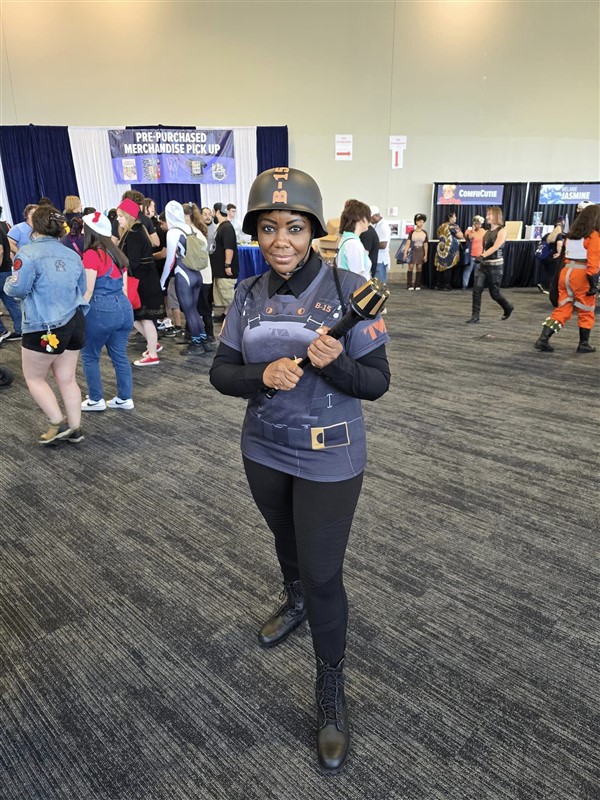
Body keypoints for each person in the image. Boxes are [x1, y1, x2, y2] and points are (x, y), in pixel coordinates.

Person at [209, 167, 391, 773]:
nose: (280, 240)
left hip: (330, 454)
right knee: (285, 541)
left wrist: (336, 363)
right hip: (263, 446)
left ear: (313, 229)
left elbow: (377, 383)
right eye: (268, 228)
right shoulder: (248, 294)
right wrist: (261, 374)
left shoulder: (351, 289)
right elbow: (221, 373)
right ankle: (293, 601)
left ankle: (330, 686)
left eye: (293, 227)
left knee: (323, 574)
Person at [3, 205, 88, 444]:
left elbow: (17, 288)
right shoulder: (72, 255)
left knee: (34, 378)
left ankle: (56, 421)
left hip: (44, 325)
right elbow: (81, 289)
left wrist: (8, 283)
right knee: (67, 378)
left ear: (34, 225)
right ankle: (75, 427)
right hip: (74, 321)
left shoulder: (27, 254)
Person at [80, 211, 135, 411]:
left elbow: (89, 290)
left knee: (89, 355)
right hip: (124, 308)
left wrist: (78, 313)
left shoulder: (91, 254)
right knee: (119, 355)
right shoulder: (117, 253)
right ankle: (125, 397)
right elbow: (125, 289)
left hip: (101, 308)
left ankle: (96, 399)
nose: (82, 232)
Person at [534, 203, 599, 353]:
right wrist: (593, 284)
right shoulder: (593, 236)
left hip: (566, 272)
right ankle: (583, 343)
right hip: (582, 275)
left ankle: (543, 338)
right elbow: (593, 262)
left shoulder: (571, 236)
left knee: (563, 308)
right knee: (586, 310)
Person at [160, 201, 212, 357]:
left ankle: (196, 343)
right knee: (194, 310)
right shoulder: (190, 228)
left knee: (189, 312)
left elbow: (170, 261)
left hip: (184, 274)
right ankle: (204, 340)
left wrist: (162, 281)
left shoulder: (173, 232)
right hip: (197, 274)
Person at [117, 198, 164, 366]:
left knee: (144, 317)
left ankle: (153, 353)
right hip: (144, 280)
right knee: (138, 316)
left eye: (120, 216)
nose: (118, 219)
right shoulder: (136, 231)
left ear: (128, 216)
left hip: (142, 282)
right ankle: (152, 344)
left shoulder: (134, 234)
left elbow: (132, 262)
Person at [466, 206, 513, 323]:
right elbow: (484, 247)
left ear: (496, 215)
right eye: (487, 214)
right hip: (484, 265)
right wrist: (480, 256)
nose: (486, 217)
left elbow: (496, 247)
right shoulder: (486, 232)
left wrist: (482, 255)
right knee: (476, 290)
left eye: (489, 214)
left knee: (494, 294)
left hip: (495, 267)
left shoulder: (502, 231)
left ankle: (508, 307)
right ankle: (475, 316)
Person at [183, 202, 215, 342]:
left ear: (187, 216)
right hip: (199, 275)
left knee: (202, 307)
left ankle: (208, 334)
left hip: (200, 276)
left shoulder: (193, 233)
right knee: (195, 306)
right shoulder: (194, 231)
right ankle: (192, 332)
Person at [210, 202, 238, 322]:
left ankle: (231, 317)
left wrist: (227, 265)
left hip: (225, 269)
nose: (212, 214)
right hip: (220, 269)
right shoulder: (222, 226)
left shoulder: (226, 228)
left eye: (212, 212)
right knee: (223, 294)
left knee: (227, 294)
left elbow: (229, 247)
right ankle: (226, 313)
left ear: (217, 212)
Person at [337, 199, 372, 280]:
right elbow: (357, 278)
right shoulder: (353, 244)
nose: (369, 222)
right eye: (368, 217)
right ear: (361, 218)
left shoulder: (347, 239)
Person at [0, 222, 23, 343]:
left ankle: (2, 331)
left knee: (11, 302)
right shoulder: (3, 226)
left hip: (1, 271)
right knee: (11, 302)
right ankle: (21, 330)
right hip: (5, 270)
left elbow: (0, 251)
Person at [536, 217, 565, 294]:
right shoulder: (559, 235)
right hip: (553, 257)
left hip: (545, 256)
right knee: (552, 273)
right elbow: (559, 244)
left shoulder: (547, 235)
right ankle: (547, 288)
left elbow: (540, 243)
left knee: (546, 271)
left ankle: (542, 284)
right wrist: (559, 253)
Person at [435, 211, 463, 290]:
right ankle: (446, 285)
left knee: (440, 265)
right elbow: (460, 236)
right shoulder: (453, 226)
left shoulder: (441, 225)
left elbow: (438, 235)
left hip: (441, 247)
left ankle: (438, 284)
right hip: (449, 248)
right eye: (454, 216)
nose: (456, 218)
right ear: (450, 217)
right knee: (448, 266)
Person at [403, 213, 428, 291]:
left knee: (419, 267)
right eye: (419, 221)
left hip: (421, 250)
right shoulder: (412, 232)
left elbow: (425, 244)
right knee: (411, 266)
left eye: (422, 222)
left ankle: (417, 284)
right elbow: (408, 243)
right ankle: (409, 284)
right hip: (413, 250)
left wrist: (426, 255)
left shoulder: (424, 232)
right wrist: (405, 253)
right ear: (416, 222)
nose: (421, 223)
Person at [462, 215, 485, 289]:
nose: (480, 225)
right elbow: (469, 237)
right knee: (468, 270)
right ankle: (465, 285)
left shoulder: (482, 231)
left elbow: (485, 240)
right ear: (474, 223)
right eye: (478, 224)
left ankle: (477, 285)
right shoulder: (469, 230)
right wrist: (472, 230)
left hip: (479, 254)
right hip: (471, 255)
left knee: (478, 271)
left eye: (480, 224)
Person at [370, 205, 391, 283]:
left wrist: (369, 244)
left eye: (370, 218)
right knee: (375, 283)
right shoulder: (376, 225)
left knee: (379, 284)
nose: (369, 220)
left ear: (376, 216)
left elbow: (383, 245)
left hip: (380, 259)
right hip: (376, 258)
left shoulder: (383, 226)